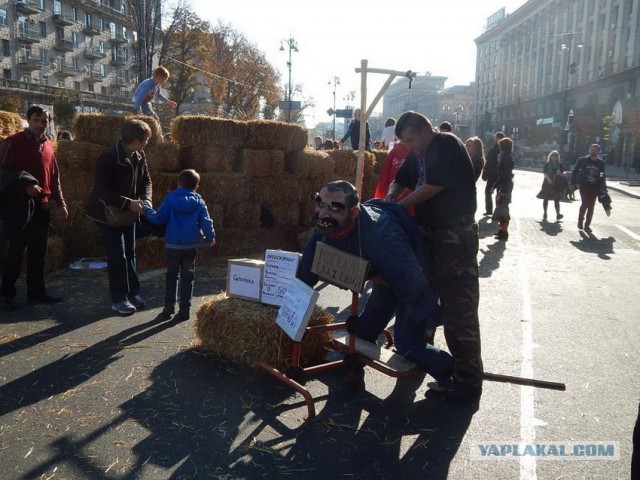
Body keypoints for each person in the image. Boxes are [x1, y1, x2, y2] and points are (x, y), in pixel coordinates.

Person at [298, 180, 455, 386]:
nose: (324, 213)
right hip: (382, 270)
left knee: (407, 343)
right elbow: (305, 275)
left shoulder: (381, 238)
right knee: (363, 332)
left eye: (336, 207)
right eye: (320, 202)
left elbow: (413, 285)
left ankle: (456, 372)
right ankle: (353, 367)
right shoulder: (323, 225)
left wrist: (430, 316)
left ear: (353, 213)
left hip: (414, 273)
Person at [388, 111, 483, 401]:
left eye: (411, 139)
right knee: (423, 303)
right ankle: (428, 360)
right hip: (429, 237)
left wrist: (399, 208)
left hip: (454, 238)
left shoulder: (445, 145)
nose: (408, 145)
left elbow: (432, 187)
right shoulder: (417, 152)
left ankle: (467, 383)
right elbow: (401, 180)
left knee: (459, 313)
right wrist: (389, 198)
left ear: (425, 131)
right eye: (403, 141)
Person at [0, 105, 68, 311]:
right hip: (19, 206)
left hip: (42, 206)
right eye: (37, 120)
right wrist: (25, 185)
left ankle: (36, 292)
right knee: (16, 251)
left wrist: (61, 202)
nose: (41, 124)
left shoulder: (48, 145)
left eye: (44, 121)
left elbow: (54, 177)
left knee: (39, 251)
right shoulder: (12, 143)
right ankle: (7, 295)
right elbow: (2, 173)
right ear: (28, 120)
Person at [87, 119, 153, 315]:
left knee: (130, 254)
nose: (147, 143)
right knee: (117, 256)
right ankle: (118, 299)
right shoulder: (109, 157)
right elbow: (101, 191)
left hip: (128, 213)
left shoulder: (139, 154)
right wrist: (128, 203)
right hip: (108, 214)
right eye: (146, 140)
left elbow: (146, 180)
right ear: (135, 141)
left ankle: (133, 293)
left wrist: (146, 199)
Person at [142, 169, 216, 321]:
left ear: (178, 183)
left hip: (173, 246)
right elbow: (207, 223)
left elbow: (158, 218)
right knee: (188, 277)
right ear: (196, 187)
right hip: (190, 246)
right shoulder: (199, 201)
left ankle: (168, 308)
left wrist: (145, 209)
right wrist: (210, 238)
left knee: (171, 276)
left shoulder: (171, 198)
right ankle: (185, 311)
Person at [570, 143, 608, 232]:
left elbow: (602, 175)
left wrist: (604, 188)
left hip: (595, 187)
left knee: (591, 206)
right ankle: (580, 220)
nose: (593, 151)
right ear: (589, 150)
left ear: (598, 151)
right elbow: (575, 171)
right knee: (585, 203)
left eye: (595, 149)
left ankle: (587, 225)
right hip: (584, 185)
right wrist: (572, 183)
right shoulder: (582, 160)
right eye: (592, 149)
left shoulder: (601, 163)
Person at [373, 141, 413, 214]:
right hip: (412, 200)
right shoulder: (417, 151)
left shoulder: (394, 151)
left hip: (395, 199)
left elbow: (384, 177)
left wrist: (380, 197)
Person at [492, 137, 515, 241]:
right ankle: (502, 231)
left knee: (503, 210)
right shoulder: (508, 157)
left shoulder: (505, 158)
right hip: (507, 186)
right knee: (503, 208)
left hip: (504, 187)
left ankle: (504, 233)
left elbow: (502, 175)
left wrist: (494, 186)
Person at [536, 150, 565, 222]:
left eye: (556, 155)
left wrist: (560, 173)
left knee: (557, 199)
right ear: (550, 156)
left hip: (557, 182)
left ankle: (558, 214)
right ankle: (545, 213)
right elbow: (545, 172)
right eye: (553, 155)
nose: (554, 157)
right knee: (546, 198)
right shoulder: (547, 164)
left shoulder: (560, 164)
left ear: (558, 157)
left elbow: (562, 174)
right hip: (548, 181)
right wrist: (548, 179)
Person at [482, 132, 505, 216]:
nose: (494, 139)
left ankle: (491, 211)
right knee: (497, 193)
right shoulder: (504, 151)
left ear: (499, 139)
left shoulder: (496, 150)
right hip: (497, 175)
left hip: (494, 175)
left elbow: (488, 163)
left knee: (491, 193)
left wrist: (485, 172)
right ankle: (495, 211)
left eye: (495, 137)